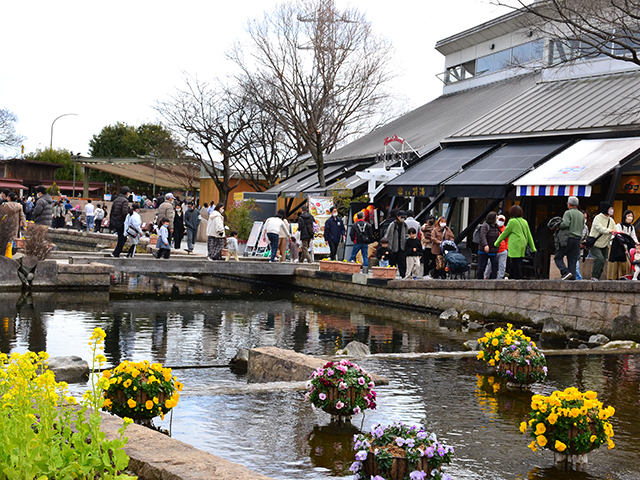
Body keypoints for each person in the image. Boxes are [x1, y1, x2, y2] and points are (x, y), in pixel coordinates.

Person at [494, 205, 536, 280]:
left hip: (515, 244)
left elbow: (504, 233)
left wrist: (496, 243)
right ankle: (511, 276)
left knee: (515, 262)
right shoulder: (524, 221)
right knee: (516, 261)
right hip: (523, 244)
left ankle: (519, 277)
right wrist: (533, 248)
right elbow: (529, 235)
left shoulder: (512, 221)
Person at [554, 196, 585, 280]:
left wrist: (559, 225)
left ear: (569, 204)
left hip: (568, 238)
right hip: (577, 239)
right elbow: (582, 227)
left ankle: (565, 272)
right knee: (572, 260)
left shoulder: (568, 213)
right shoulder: (581, 215)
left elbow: (565, 224)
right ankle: (572, 278)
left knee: (558, 257)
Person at [608, 209, 640, 279]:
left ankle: (624, 277)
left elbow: (633, 237)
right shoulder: (619, 225)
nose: (630, 218)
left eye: (631, 216)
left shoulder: (631, 227)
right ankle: (612, 278)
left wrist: (636, 243)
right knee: (614, 264)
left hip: (625, 248)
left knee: (626, 264)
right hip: (616, 247)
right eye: (628, 216)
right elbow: (618, 235)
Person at [588, 202, 617, 280]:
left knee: (603, 261)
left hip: (605, 244)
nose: (612, 210)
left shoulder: (611, 220)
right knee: (599, 259)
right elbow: (600, 228)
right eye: (610, 209)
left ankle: (598, 276)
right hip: (595, 243)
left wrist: (618, 232)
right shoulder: (598, 218)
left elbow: (615, 228)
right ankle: (594, 276)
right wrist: (610, 231)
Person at [477, 212, 501, 279]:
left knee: (495, 266)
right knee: (482, 266)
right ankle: (479, 280)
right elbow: (483, 235)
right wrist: (485, 245)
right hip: (484, 250)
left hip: (493, 250)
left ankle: (493, 279)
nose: (497, 220)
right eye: (496, 218)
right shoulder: (485, 226)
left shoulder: (496, 227)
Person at [109, 186, 131, 257]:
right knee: (123, 238)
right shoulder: (125, 201)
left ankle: (116, 252)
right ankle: (116, 253)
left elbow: (112, 211)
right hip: (121, 222)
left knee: (120, 237)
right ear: (127, 193)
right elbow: (124, 213)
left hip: (115, 221)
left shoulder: (116, 200)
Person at [486, 214, 508, 279]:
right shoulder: (493, 228)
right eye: (499, 220)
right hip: (494, 250)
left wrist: (506, 248)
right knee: (489, 265)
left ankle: (500, 279)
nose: (500, 221)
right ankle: (486, 276)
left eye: (502, 220)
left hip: (502, 250)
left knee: (502, 266)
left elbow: (507, 240)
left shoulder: (506, 229)